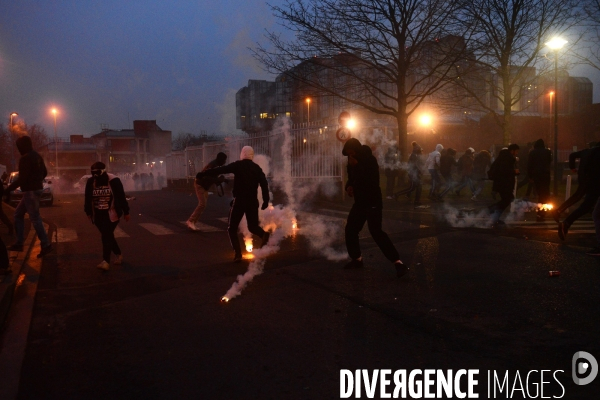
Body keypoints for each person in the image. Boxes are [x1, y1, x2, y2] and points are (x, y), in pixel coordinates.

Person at [342, 138, 407, 277]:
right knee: (351, 229)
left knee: (376, 232)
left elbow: (370, 180)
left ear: (357, 151)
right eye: (348, 154)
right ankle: (357, 259)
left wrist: (357, 166)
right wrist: (349, 187)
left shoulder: (369, 160)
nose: (350, 156)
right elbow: (352, 179)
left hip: (372, 202)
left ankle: (397, 262)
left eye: (352, 153)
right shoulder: (351, 163)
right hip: (360, 202)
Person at [198, 146, 270, 263]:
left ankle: (238, 254)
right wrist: (266, 200)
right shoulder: (257, 168)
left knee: (232, 229)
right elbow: (264, 184)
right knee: (253, 227)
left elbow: (221, 170)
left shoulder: (238, 165)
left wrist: (204, 173)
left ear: (242, 154)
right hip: (252, 202)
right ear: (252, 155)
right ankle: (264, 235)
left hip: (240, 201)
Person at [7, 136, 53, 257]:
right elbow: (45, 172)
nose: (18, 149)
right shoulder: (37, 156)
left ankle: (45, 244)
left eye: (19, 147)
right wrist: (37, 180)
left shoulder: (25, 158)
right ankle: (20, 242)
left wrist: (7, 189)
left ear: (22, 146)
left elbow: (22, 179)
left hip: (30, 191)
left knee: (35, 218)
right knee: (18, 214)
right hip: (36, 189)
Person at [84, 162, 130, 270]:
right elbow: (87, 197)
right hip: (97, 214)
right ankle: (118, 254)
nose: (95, 175)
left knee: (106, 235)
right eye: (93, 173)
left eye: (97, 172)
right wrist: (88, 212)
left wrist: (126, 212)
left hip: (112, 213)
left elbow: (121, 197)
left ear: (103, 171)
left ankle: (106, 261)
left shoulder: (114, 180)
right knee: (108, 236)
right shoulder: (91, 181)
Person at [558, 144, 600, 241]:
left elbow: (572, 155)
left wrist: (573, 168)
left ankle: (565, 221)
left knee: (585, 205)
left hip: (589, 181)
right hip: (595, 182)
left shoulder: (590, 151)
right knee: (589, 208)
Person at [186, 152, 228, 231]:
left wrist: (222, 180)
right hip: (200, 185)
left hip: (204, 186)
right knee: (202, 204)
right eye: (224, 160)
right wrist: (219, 180)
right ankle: (190, 221)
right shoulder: (213, 166)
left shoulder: (216, 165)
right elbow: (207, 177)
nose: (225, 162)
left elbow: (213, 177)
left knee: (203, 205)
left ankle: (192, 222)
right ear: (220, 160)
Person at [487, 144, 520, 227]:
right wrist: (514, 172)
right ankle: (493, 210)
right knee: (507, 200)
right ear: (512, 150)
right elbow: (504, 171)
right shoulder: (507, 158)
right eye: (516, 151)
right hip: (504, 183)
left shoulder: (503, 157)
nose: (517, 153)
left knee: (507, 199)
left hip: (501, 183)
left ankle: (495, 217)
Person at [527, 139, 552, 219]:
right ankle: (542, 211)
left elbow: (529, 165)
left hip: (536, 175)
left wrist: (530, 176)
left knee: (539, 192)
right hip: (545, 174)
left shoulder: (532, 152)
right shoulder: (547, 152)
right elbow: (550, 161)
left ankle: (540, 211)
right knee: (545, 193)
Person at [394, 141, 423, 207]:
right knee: (412, 188)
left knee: (417, 187)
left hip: (415, 173)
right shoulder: (414, 155)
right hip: (413, 174)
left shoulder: (415, 155)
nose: (421, 151)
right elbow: (414, 165)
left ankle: (415, 200)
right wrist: (419, 170)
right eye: (420, 150)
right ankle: (397, 194)